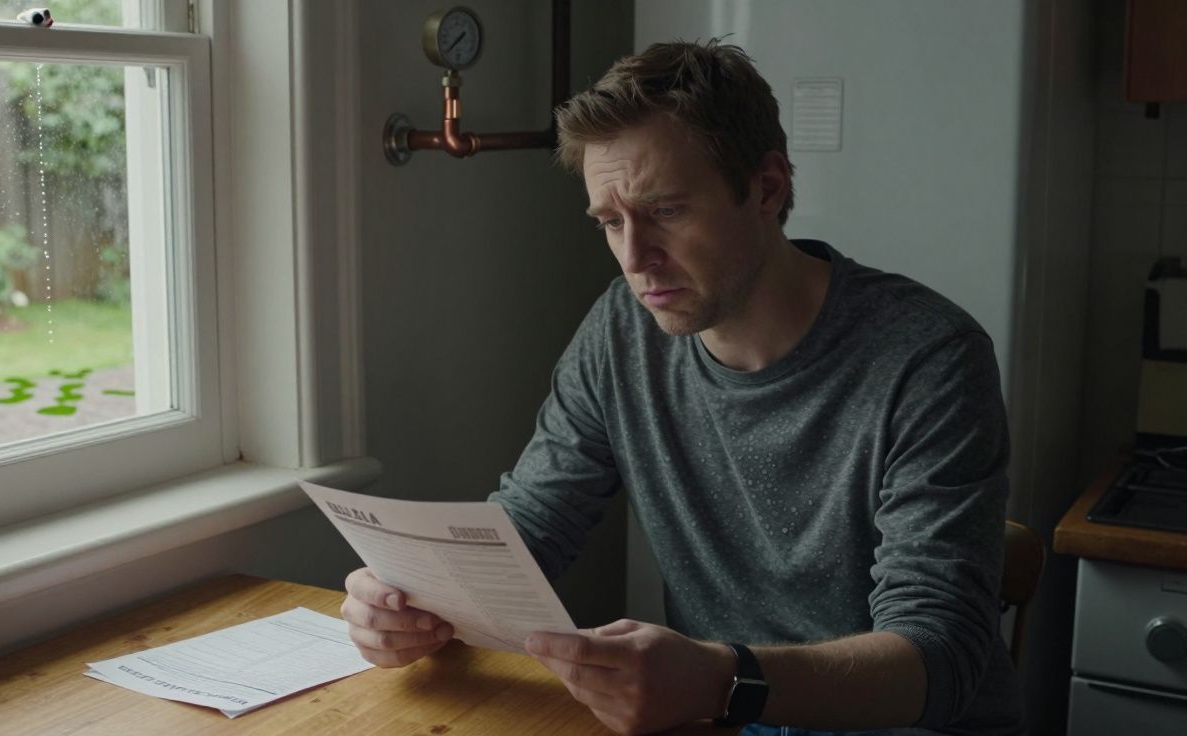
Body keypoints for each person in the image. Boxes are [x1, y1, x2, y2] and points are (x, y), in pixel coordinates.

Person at [341, 40, 1024, 736]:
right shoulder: (621, 330)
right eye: (611, 223)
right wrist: (410, 599)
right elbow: (534, 524)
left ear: (767, 188)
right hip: (717, 713)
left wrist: (721, 679)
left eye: (665, 211)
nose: (635, 260)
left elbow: (941, 657)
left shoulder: (927, 359)